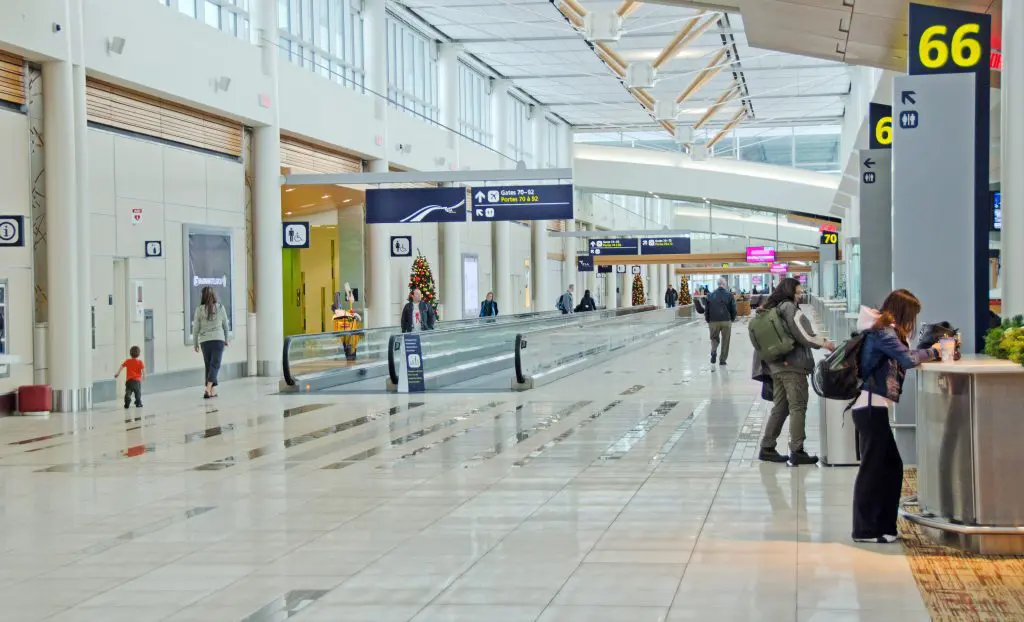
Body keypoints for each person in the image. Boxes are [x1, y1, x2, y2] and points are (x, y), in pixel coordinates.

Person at [851, 290, 940, 543]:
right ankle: (866, 530)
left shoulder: (883, 330)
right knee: (875, 469)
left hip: (873, 407)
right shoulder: (883, 332)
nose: (911, 323)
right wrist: (934, 351)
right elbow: (908, 359)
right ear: (903, 312)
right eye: (911, 316)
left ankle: (884, 527)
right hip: (870, 407)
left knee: (889, 467)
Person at [755, 277, 834, 465]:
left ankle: (767, 447)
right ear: (789, 292)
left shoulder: (770, 308)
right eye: (798, 293)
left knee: (780, 407)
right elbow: (804, 334)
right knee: (798, 406)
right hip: (793, 365)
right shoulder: (789, 308)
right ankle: (797, 450)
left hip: (776, 365)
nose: (800, 296)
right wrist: (825, 343)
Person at [192, 286, 229, 399]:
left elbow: (195, 328)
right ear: (214, 295)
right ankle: (208, 390)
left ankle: (212, 390)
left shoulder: (199, 309)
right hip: (218, 340)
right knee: (215, 365)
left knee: (209, 365)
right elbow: (225, 326)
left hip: (205, 341)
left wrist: (195, 343)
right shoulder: (220, 308)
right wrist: (226, 339)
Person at [705, 277, 737, 365]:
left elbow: (706, 309)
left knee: (714, 338)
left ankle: (714, 351)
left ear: (717, 284)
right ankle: (722, 360)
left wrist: (708, 319)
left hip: (713, 321)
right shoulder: (730, 295)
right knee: (725, 340)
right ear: (725, 284)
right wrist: (732, 318)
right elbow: (733, 308)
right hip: (726, 320)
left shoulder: (710, 295)